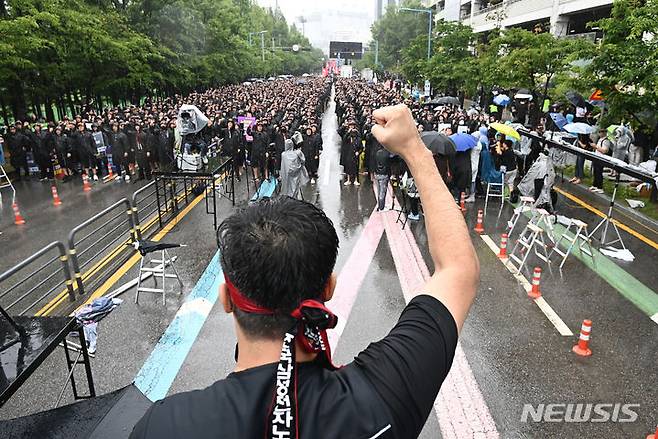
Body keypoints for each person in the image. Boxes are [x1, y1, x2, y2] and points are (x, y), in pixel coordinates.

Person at [130, 104, 479, 439]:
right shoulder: (382, 397)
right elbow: (457, 270)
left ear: (226, 299)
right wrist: (415, 150)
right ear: (328, 289)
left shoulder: (164, 426)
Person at [374, 144, 391, 211]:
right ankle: (381, 207)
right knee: (382, 191)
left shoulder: (377, 153)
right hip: (384, 174)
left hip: (377, 173)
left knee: (379, 190)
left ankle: (380, 205)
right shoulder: (387, 154)